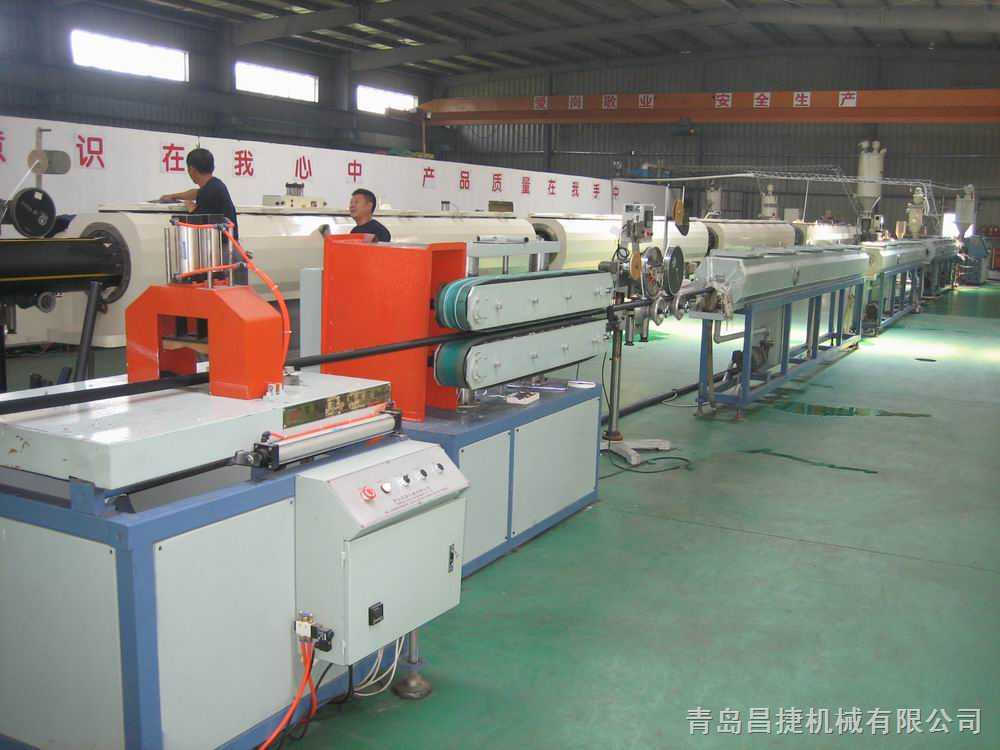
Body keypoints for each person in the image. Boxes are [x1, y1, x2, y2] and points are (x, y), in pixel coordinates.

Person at [159, 148, 239, 238]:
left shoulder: (209, 192)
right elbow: (195, 193)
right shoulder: (215, 184)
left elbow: (198, 223)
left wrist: (191, 207)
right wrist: (173, 196)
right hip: (227, 241)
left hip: (222, 244)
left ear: (191, 170)